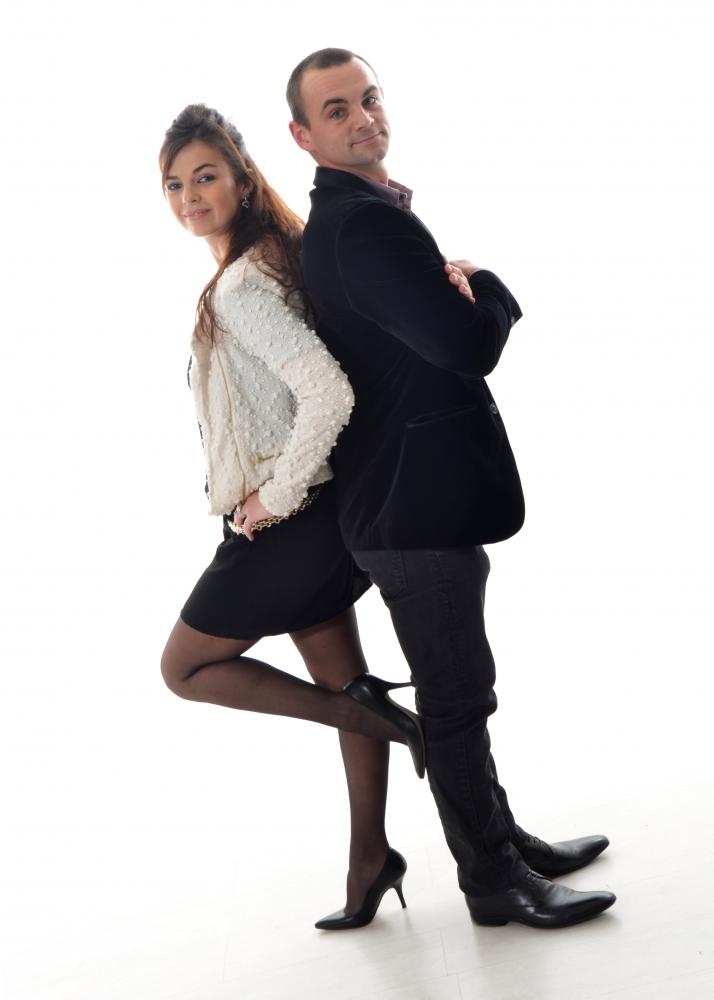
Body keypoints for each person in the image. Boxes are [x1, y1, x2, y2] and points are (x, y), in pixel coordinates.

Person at [286, 49, 617, 929]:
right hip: (410, 507)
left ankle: (504, 842)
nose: (362, 117)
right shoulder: (360, 226)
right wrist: (490, 288)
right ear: (303, 135)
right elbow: (467, 345)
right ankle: (492, 880)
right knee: (457, 700)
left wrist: (458, 297)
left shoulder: (362, 217)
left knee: (464, 690)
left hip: (413, 502)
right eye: (336, 109)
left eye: (368, 98)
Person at [158, 104, 434, 930]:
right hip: (326, 511)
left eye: (206, 176)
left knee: (183, 669)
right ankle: (369, 858)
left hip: (289, 522)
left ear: (243, 180)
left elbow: (327, 392)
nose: (189, 195)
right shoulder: (280, 258)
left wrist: (271, 499)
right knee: (341, 676)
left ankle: (368, 713)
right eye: (174, 184)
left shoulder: (244, 285)